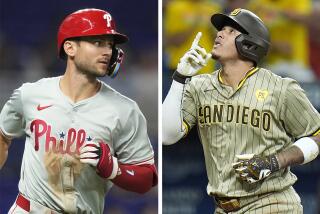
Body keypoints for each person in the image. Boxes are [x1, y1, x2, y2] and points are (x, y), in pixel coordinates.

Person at [0, 8, 157, 213]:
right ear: (70, 48)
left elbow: (146, 178)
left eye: (110, 44)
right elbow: (3, 136)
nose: (107, 51)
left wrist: (113, 168)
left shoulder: (126, 110)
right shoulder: (30, 94)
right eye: (97, 42)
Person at [163, 8, 320, 213]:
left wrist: (274, 161)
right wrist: (180, 78)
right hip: (223, 207)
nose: (219, 33)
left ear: (249, 43)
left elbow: (317, 134)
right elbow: (167, 136)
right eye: (221, 30)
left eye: (230, 31)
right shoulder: (199, 86)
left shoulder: (281, 87)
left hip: (273, 203)